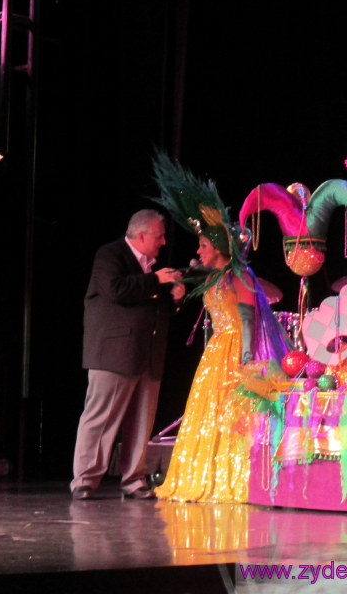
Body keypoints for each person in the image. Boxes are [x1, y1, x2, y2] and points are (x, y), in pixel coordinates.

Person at [151, 156, 288, 503]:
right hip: (215, 353)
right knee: (207, 412)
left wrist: (245, 361)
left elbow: (247, 319)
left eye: (204, 245)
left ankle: (233, 479)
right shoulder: (213, 276)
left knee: (231, 414)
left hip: (233, 349)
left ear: (220, 249)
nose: (198, 250)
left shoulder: (238, 276)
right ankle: (201, 475)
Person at [71, 209, 185, 500]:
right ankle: (85, 479)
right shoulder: (111, 255)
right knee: (102, 417)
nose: (162, 243)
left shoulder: (152, 269)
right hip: (114, 353)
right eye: (159, 237)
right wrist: (156, 282)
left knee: (141, 421)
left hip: (147, 354)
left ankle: (135, 479)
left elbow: (151, 308)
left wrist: (172, 300)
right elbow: (116, 289)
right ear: (142, 234)